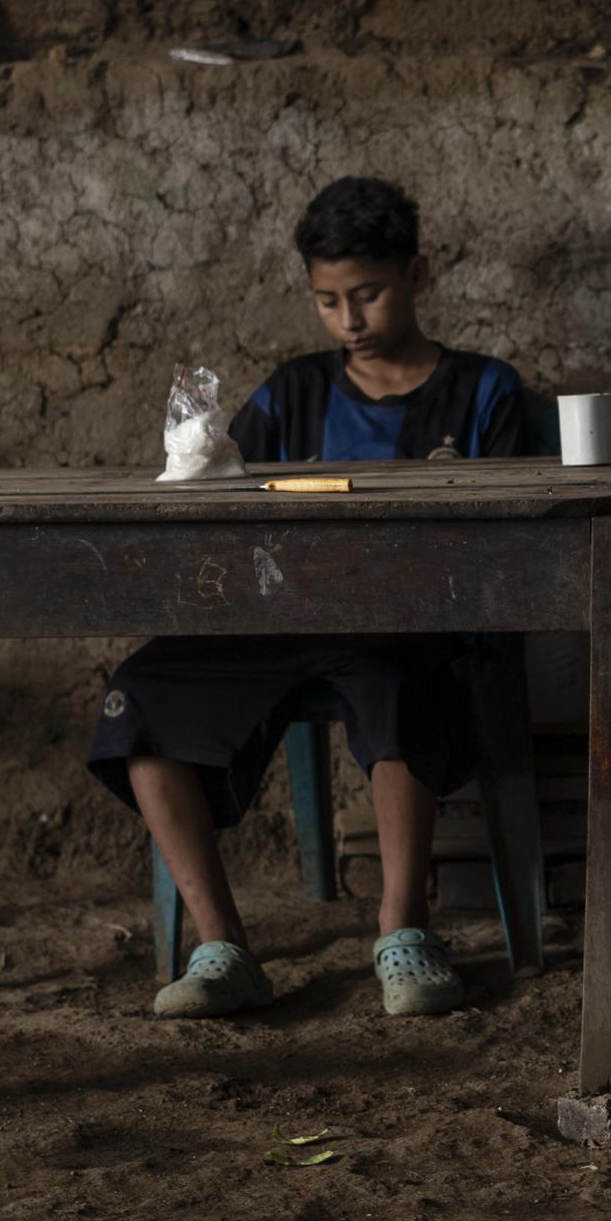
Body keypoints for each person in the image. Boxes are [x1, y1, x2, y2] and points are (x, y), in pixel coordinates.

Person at [86, 175, 527, 1019]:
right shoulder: (292, 391)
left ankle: (404, 933)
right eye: (328, 301)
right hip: (278, 620)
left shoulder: (485, 391)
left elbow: (502, 536)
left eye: (367, 294)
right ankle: (222, 948)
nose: (350, 320)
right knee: (139, 695)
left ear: (416, 274)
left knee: (399, 686)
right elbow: (225, 503)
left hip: (406, 626)